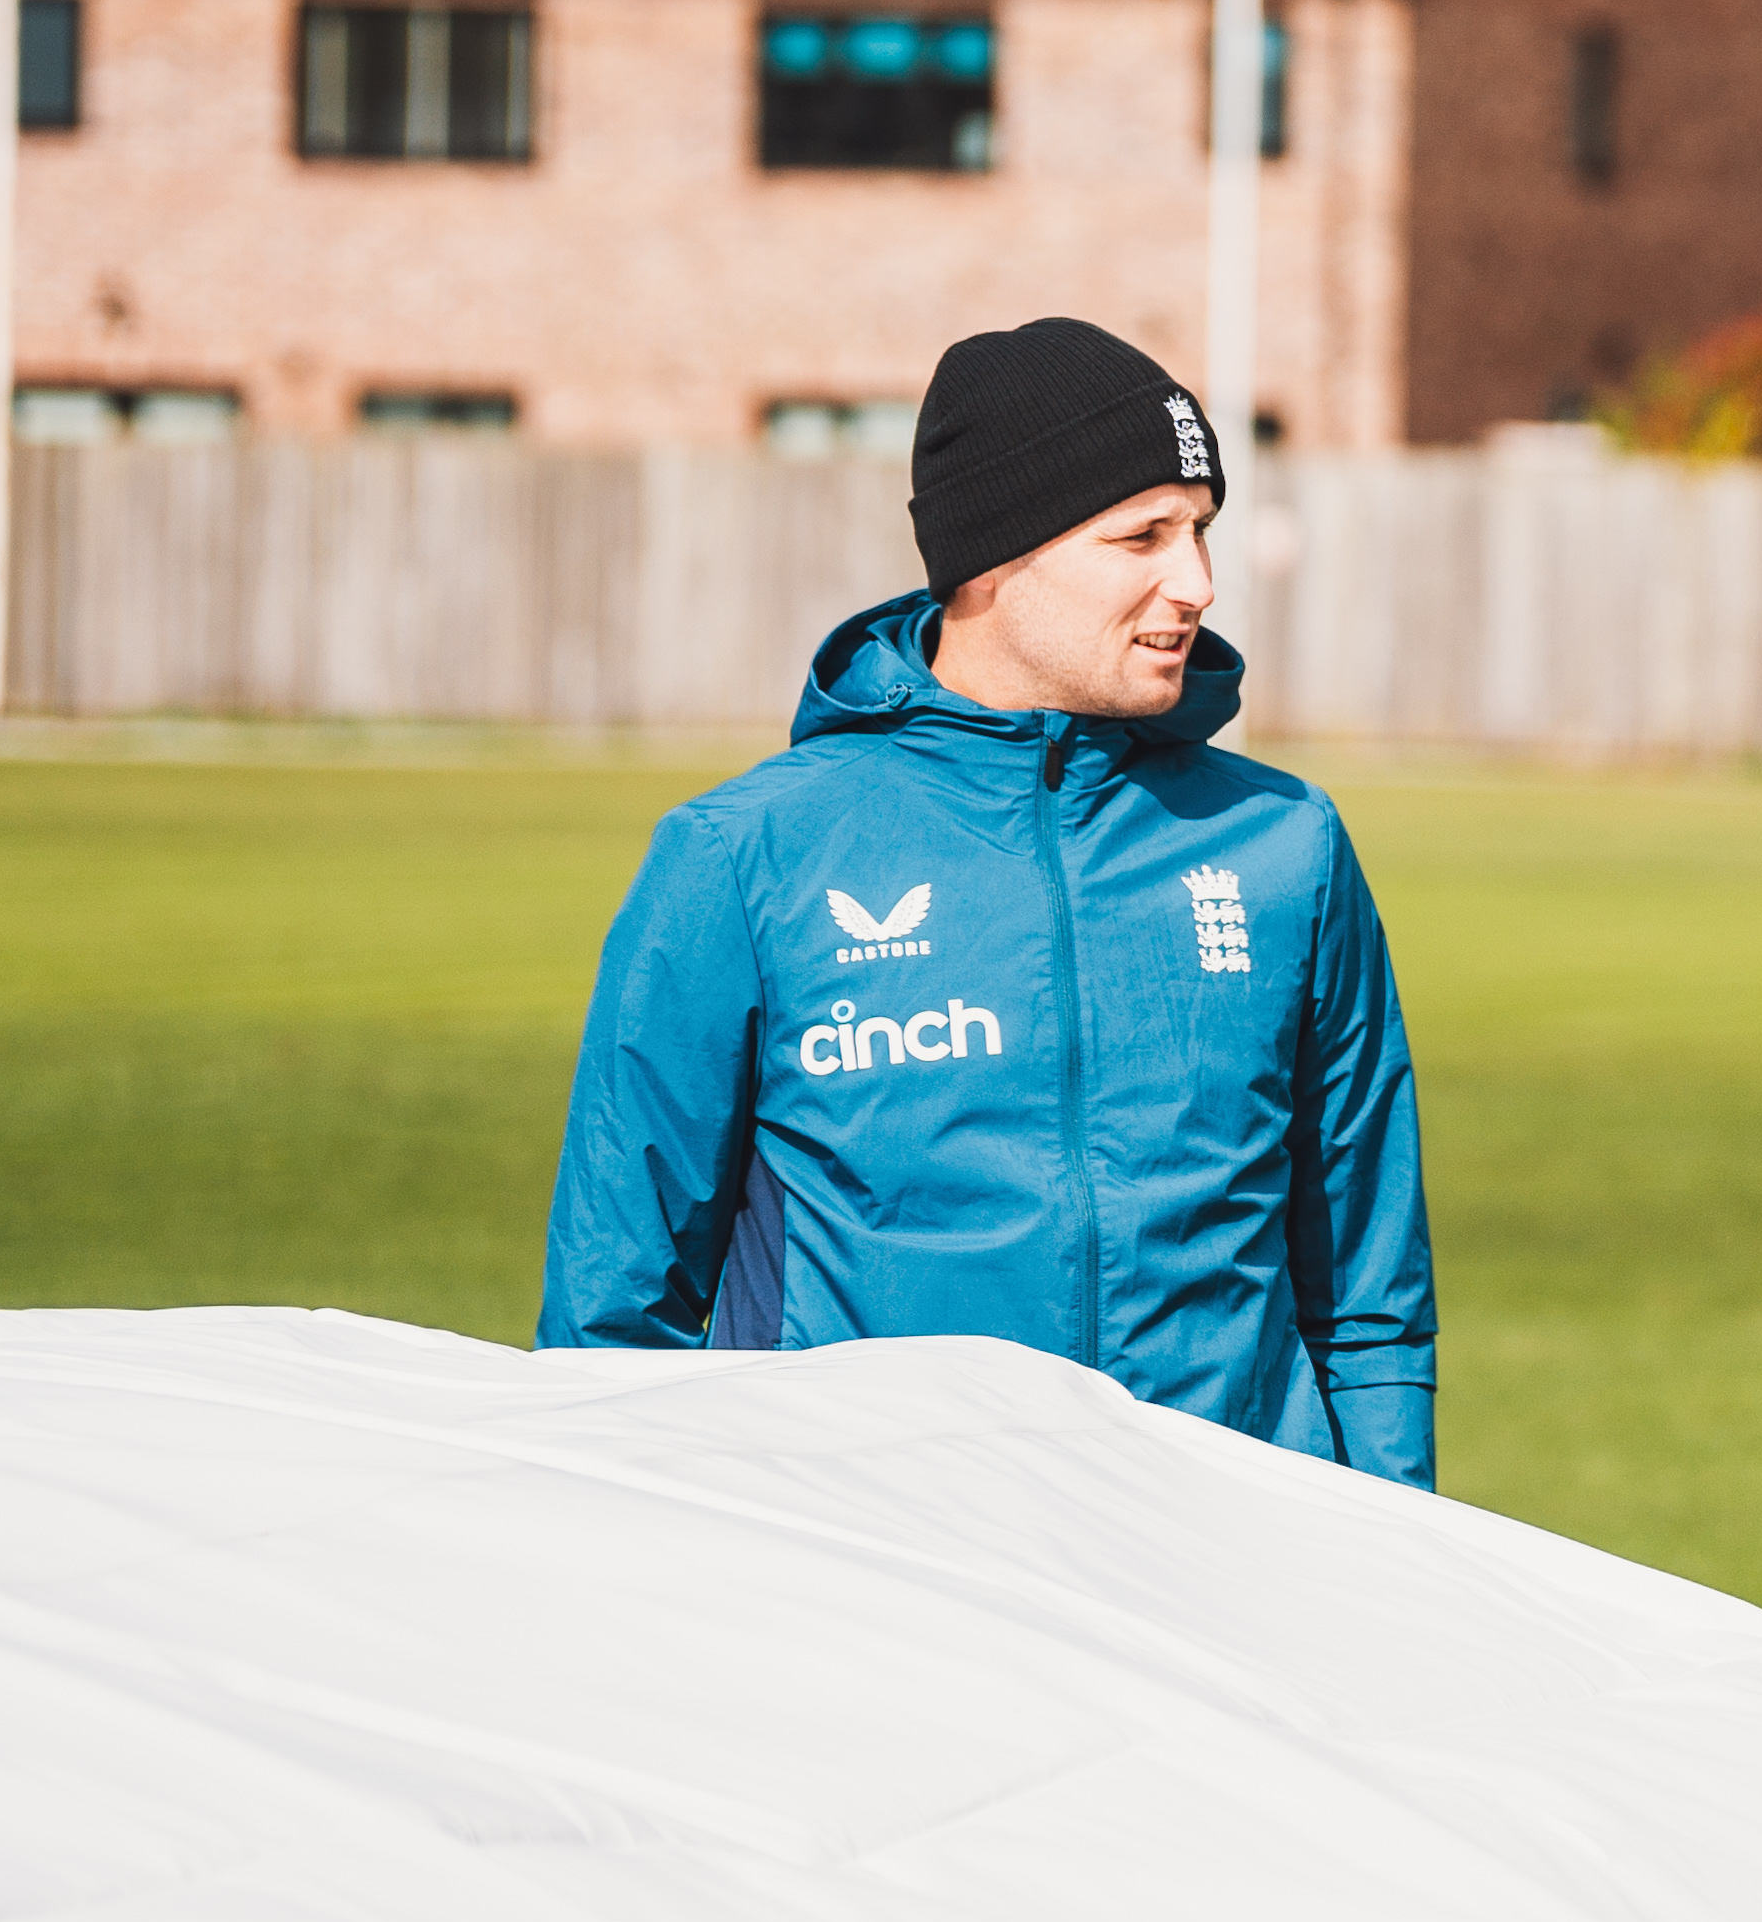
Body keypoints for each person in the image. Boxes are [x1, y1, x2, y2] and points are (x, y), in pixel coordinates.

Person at [541, 316, 1437, 1483]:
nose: (1197, 583)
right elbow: (612, 1324)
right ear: (993, 558)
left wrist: (1395, 1552)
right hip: (890, 1584)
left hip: (1228, 1576)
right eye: (1144, 536)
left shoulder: (1285, 847)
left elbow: (1368, 1295)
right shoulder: (745, 856)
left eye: (1201, 530)